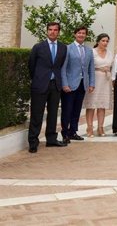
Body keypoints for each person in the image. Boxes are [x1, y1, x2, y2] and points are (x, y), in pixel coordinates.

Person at [27, 22, 68, 153]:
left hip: (55, 85)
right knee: (37, 114)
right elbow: (31, 65)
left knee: (53, 114)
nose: (52, 32)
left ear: (58, 32)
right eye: (50, 30)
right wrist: (38, 78)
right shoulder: (38, 47)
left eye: (55, 30)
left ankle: (51, 140)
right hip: (39, 85)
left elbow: (60, 66)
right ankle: (33, 142)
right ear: (46, 31)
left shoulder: (63, 48)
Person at [60, 26, 95, 142]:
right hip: (70, 85)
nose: (81, 35)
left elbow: (91, 69)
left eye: (83, 33)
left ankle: (73, 132)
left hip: (82, 84)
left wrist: (91, 84)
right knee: (67, 109)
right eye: (79, 33)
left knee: (77, 110)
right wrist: (64, 84)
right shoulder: (68, 48)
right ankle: (65, 133)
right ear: (75, 34)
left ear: (86, 35)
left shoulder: (89, 50)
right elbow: (63, 68)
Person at [84, 33, 113, 137]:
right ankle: (89, 127)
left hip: (106, 81)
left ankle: (100, 128)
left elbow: (111, 67)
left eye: (107, 41)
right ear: (98, 41)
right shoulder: (92, 52)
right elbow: (87, 67)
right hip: (94, 80)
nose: (105, 43)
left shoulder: (109, 53)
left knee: (102, 105)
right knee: (91, 105)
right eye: (103, 41)